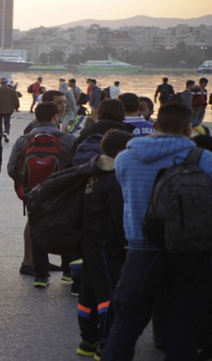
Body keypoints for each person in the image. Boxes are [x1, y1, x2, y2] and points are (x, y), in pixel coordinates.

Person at [103, 103, 212, 360]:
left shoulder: (125, 158)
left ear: (155, 125)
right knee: (184, 323)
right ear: (189, 129)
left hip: (141, 247)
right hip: (190, 249)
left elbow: (126, 192)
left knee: (126, 323)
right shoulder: (204, 159)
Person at [74, 130, 131, 359]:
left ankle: (88, 340)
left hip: (88, 238)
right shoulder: (114, 179)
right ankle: (106, 343)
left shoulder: (91, 173)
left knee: (88, 291)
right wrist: (125, 243)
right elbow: (119, 217)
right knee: (108, 292)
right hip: (108, 243)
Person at [8, 102, 76, 287]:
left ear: (36, 118)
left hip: (34, 193)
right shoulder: (67, 139)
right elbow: (75, 166)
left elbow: (11, 168)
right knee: (66, 227)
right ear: (56, 117)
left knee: (37, 230)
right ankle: (68, 272)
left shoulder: (24, 140)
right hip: (61, 192)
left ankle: (40, 275)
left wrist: (26, 185)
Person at [0, 77, 20, 143]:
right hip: (8, 109)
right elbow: (16, 100)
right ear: (6, 82)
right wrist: (17, 107)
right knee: (7, 123)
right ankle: (6, 132)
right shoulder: (12, 90)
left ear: (0, 83)